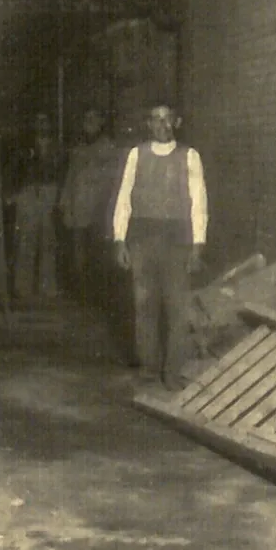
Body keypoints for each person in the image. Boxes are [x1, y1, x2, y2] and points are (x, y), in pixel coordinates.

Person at [111, 103, 208, 390]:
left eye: (167, 119)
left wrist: (197, 245)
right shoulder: (135, 155)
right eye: (156, 119)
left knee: (177, 309)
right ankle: (148, 369)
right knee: (144, 307)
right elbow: (124, 199)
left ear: (175, 122)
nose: (162, 125)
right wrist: (120, 240)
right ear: (148, 124)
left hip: (177, 242)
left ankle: (172, 372)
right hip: (142, 241)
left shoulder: (189, 156)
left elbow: (199, 203)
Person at [59, 108, 123, 306]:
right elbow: (70, 178)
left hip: (99, 212)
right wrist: (66, 205)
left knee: (98, 255)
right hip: (79, 211)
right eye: (86, 119)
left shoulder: (109, 148)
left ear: (101, 122)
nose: (90, 122)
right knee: (79, 254)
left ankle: (98, 297)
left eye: (94, 118)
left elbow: (115, 182)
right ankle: (81, 296)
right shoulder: (78, 150)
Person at [12, 112, 62, 301]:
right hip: (28, 193)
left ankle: (47, 287)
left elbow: (59, 170)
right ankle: (23, 287)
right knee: (26, 240)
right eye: (38, 121)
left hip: (49, 192)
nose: (42, 125)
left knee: (48, 241)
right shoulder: (23, 146)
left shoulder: (56, 147)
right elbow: (16, 170)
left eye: (45, 121)